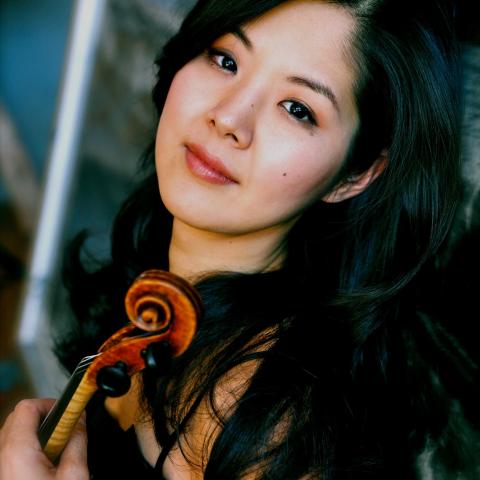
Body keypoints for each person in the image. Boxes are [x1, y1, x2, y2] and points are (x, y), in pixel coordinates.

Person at [1, 0, 478, 478]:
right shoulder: (155, 291)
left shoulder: (275, 434)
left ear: (354, 174)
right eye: (225, 60)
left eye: (297, 109)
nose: (228, 118)